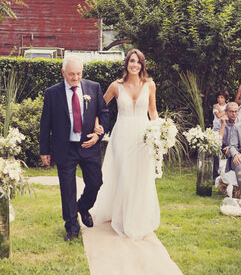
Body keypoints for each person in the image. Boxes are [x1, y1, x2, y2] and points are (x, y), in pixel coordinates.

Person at [90, 50, 159, 240]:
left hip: (143, 136)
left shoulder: (150, 85)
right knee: (125, 175)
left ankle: (137, 217)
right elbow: (100, 107)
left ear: (142, 65)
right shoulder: (116, 86)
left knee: (140, 176)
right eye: (131, 61)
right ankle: (121, 218)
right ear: (126, 64)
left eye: (138, 62)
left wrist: (160, 132)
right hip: (122, 135)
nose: (134, 65)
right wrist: (97, 124)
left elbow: (153, 112)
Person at [40, 56, 110, 241]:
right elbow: (45, 124)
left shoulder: (93, 87)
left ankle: (83, 207)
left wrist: (98, 135)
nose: (75, 77)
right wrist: (44, 150)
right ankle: (72, 228)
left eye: (78, 74)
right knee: (67, 189)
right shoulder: (52, 93)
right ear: (63, 72)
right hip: (65, 148)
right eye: (71, 74)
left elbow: (103, 112)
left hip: (89, 145)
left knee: (96, 183)